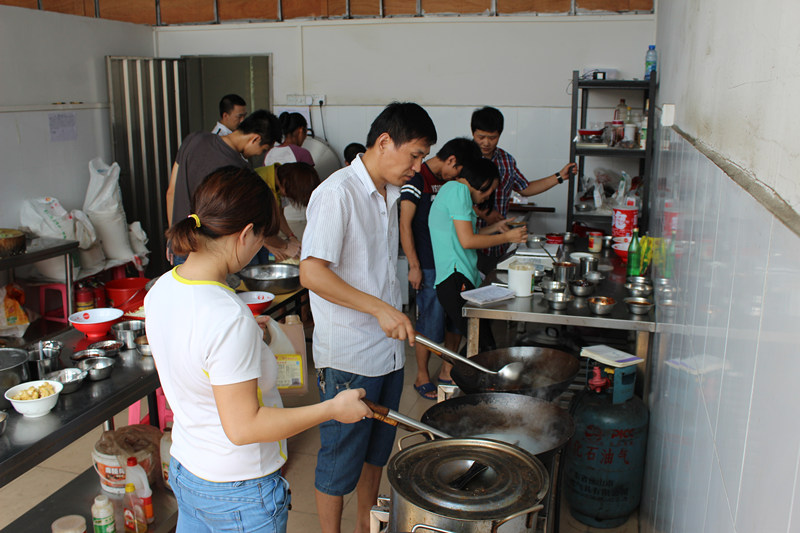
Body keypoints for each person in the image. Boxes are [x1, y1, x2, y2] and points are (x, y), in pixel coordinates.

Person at [145, 166, 371, 533]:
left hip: (188, 471)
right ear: (246, 234)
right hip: (238, 490)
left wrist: (247, 338)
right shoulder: (226, 315)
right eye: (262, 238)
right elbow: (243, 426)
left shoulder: (161, 290)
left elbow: (196, 356)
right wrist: (331, 408)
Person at [300, 102, 436, 533]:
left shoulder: (389, 194)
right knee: (339, 463)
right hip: (349, 357)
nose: (418, 166)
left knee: (377, 451)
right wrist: (380, 308)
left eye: (423, 157)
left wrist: (389, 311)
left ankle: (364, 525)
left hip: (388, 355)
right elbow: (311, 272)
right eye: (414, 155)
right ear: (383, 143)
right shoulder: (337, 193)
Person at [399, 137, 482, 399]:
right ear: (451, 161)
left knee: (456, 318)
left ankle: (447, 369)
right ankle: (421, 374)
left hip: (453, 263)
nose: (461, 178)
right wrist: (414, 265)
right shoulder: (417, 178)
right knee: (429, 323)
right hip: (428, 264)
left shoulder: (449, 183)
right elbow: (404, 224)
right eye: (459, 171)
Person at [429, 157, 527, 353]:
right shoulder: (459, 191)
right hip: (454, 278)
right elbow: (468, 241)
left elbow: (465, 235)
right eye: (491, 189)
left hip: (459, 277)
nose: (489, 194)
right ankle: (461, 378)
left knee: (480, 341)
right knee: (483, 344)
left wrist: (495, 228)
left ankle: (460, 377)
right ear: (483, 182)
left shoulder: (453, 190)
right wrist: (507, 236)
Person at [165, 109, 281, 264]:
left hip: (181, 243)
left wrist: (172, 237)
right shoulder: (239, 171)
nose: (259, 154)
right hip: (210, 255)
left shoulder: (194, 139)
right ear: (255, 139)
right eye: (264, 149)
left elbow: (171, 192)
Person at [470, 106, 576, 273]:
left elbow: (525, 188)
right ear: (473, 133)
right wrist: (482, 213)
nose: (486, 142)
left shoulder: (506, 160)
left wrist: (560, 177)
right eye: (481, 137)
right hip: (469, 243)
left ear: (500, 135)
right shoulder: (466, 160)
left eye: (492, 137)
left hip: (498, 243)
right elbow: (454, 196)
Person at [252, 162, 320, 262]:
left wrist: (291, 237)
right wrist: (283, 246)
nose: (288, 197)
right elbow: (255, 227)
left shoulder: (277, 182)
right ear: (284, 184)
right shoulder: (259, 184)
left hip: (259, 236)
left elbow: (279, 214)